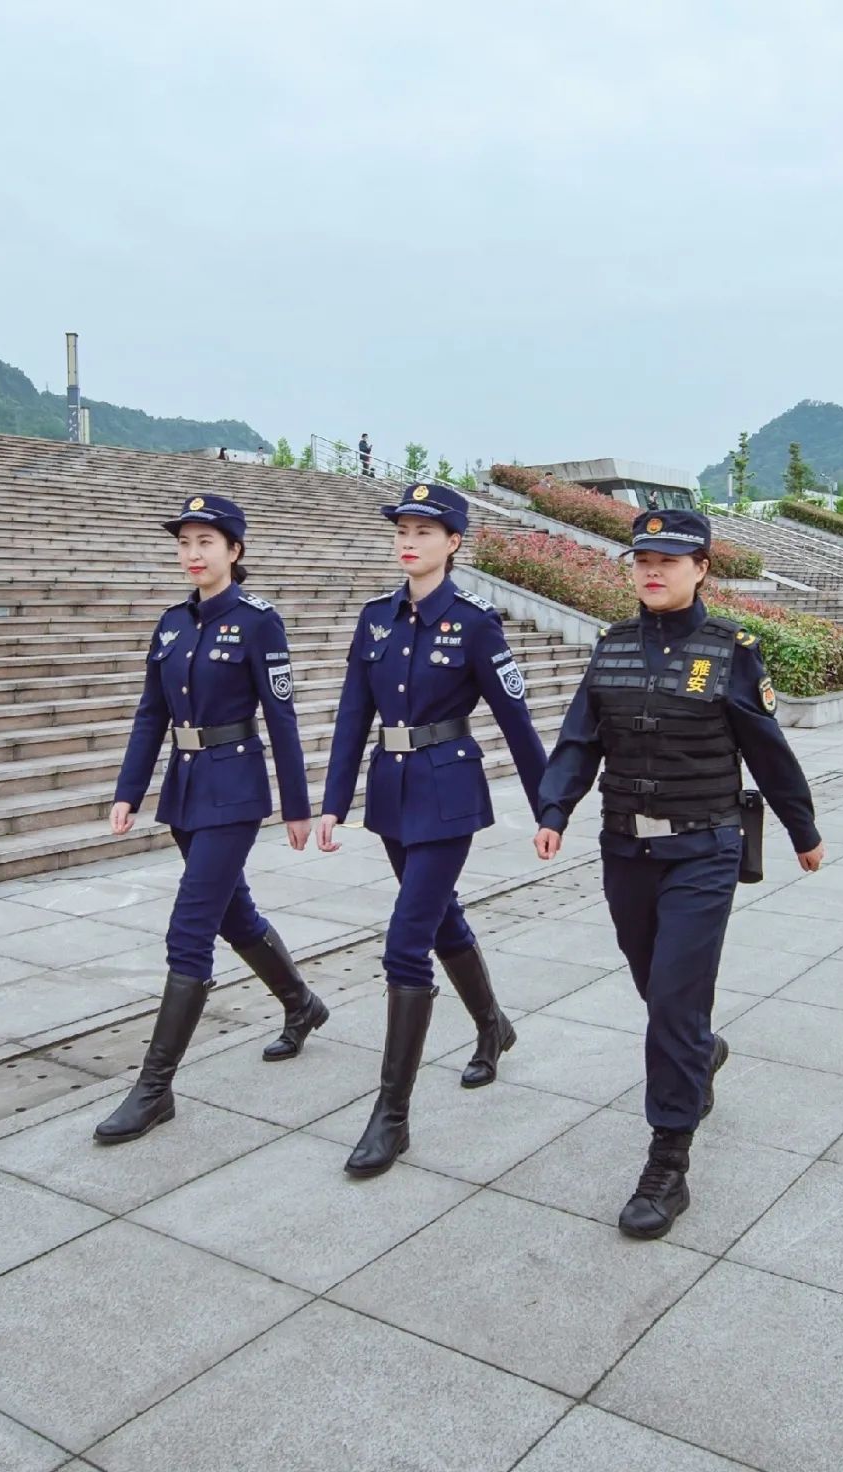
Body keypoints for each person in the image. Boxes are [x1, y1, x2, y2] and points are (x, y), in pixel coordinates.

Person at [535, 508, 825, 1239]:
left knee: (671, 997)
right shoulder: (614, 648)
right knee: (655, 988)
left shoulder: (730, 651)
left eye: (670, 559)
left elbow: (768, 749)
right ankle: (699, 1051)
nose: (652, 571)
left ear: (702, 569)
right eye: (641, 560)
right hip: (626, 850)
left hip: (704, 849)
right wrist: (554, 809)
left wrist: (802, 828)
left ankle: (668, 1161)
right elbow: (578, 740)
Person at [317, 481, 547, 1176]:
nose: (408, 540)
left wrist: (551, 810)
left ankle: (391, 1117)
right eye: (401, 529)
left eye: (424, 530)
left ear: (453, 542)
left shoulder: (476, 622)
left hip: (448, 796)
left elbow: (517, 723)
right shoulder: (375, 620)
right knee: (442, 920)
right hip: (390, 794)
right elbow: (354, 715)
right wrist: (332, 802)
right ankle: (492, 1026)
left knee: (404, 945)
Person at [94, 492, 328, 1145]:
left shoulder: (258, 622)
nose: (192, 553)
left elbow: (280, 717)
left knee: (189, 928)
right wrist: (129, 790)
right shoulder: (171, 624)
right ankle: (301, 1004)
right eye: (185, 542)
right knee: (234, 915)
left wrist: (296, 805)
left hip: (234, 788)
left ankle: (154, 1089)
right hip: (185, 790)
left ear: (234, 550)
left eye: (206, 542)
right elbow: (151, 714)